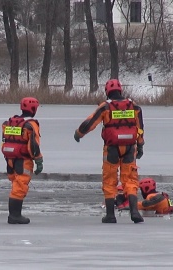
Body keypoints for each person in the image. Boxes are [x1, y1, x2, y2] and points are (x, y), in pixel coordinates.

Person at [74, 79, 144, 224]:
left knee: (110, 181)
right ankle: (134, 211)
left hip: (111, 148)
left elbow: (90, 122)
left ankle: (110, 215)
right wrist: (141, 145)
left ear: (107, 91)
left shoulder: (106, 107)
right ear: (121, 90)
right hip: (130, 147)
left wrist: (79, 133)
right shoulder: (134, 106)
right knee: (130, 180)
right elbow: (140, 128)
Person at [1, 97, 43, 224]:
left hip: (10, 159)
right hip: (23, 160)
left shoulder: (9, 123)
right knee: (19, 187)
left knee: (15, 184)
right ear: (34, 109)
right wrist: (39, 160)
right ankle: (14, 216)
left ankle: (14, 214)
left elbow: (5, 140)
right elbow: (33, 145)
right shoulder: (31, 125)